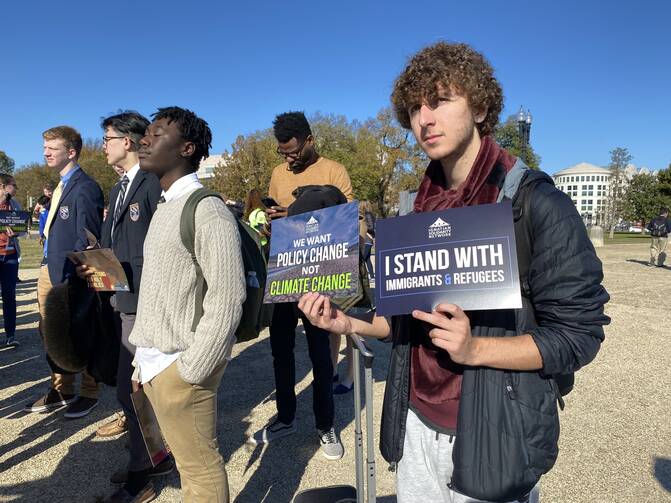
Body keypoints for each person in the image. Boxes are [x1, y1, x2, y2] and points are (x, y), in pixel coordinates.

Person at [298, 42, 610, 503]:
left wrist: (475, 347)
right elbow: (398, 321)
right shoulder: (413, 210)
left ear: (481, 106)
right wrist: (346, 323)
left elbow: (580, 335)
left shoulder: (535, 205)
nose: (423, 118)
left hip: (495, 430)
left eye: (440, 100)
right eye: (413, 108)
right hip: (416, 426)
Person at [129, 106, 245, 503]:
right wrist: (141, 358)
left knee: (200, 469)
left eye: (157, 133)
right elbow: (160, 291)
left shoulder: (206, 208)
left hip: (182, 368)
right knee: (186, 463)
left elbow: (229, 298)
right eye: (146, 132)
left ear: (186, 148)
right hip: (157, 362)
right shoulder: (166, 205)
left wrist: (192, 370)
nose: (144, 140)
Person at [76, 111, 171, 503]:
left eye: (108, 138)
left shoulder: (151, 184)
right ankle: (155, 457)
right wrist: (94, 263)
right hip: (122, 301)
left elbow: (163, 249)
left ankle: (141, 476)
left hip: (148, 305)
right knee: (130, 392)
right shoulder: (117, 191)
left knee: (134, 393)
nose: (104, 145)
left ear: (128, 142)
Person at [250, 112, 353, 461]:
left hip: (319, 277)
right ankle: (287, 416)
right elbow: (276, 222)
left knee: (321, 356)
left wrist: (297, 214)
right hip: (284, 273)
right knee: (280, 352)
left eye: (292, 151)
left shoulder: (334, 171)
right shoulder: (279, 175)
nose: (288, 159)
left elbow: (348, 222)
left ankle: (325, 426)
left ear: (309, 140)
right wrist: (270, 223)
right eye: (282, 153)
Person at [25, 126, 104, 418]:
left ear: (71, 152)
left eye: (52, 148)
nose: (46, 153)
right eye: (44, 147)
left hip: (71, 274)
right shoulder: (59, 185)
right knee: (52, 333)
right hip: (50, 269)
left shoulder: (85, 187)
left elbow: (88, 236)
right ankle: (62, 389)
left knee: (82, 329)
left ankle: (89, 391)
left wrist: (77, 274)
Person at [0, 173, 22, 347]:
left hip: (10, 256)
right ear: (3, 186)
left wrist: (17, 231)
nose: (15, 188)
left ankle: (11, 334)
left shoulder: (14, 204)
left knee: (9, 295)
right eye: (13, 185)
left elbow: (21, 227)